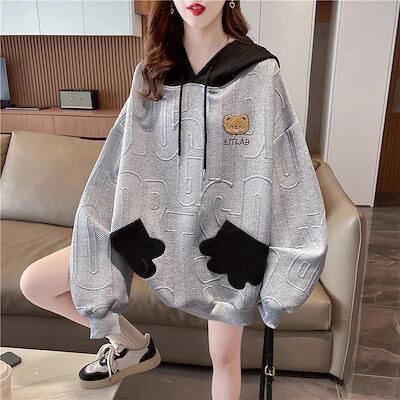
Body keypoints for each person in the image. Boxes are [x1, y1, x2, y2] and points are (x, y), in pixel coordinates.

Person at [20, 1, 328, 399]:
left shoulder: (259, 73)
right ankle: (133, 346)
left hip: (225, 249)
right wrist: (114, 226)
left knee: (225, 358)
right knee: (35, 283)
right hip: (154, 238)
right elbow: (118, 162)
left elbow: (288, 173)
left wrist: (282, 265)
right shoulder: (151, 74)